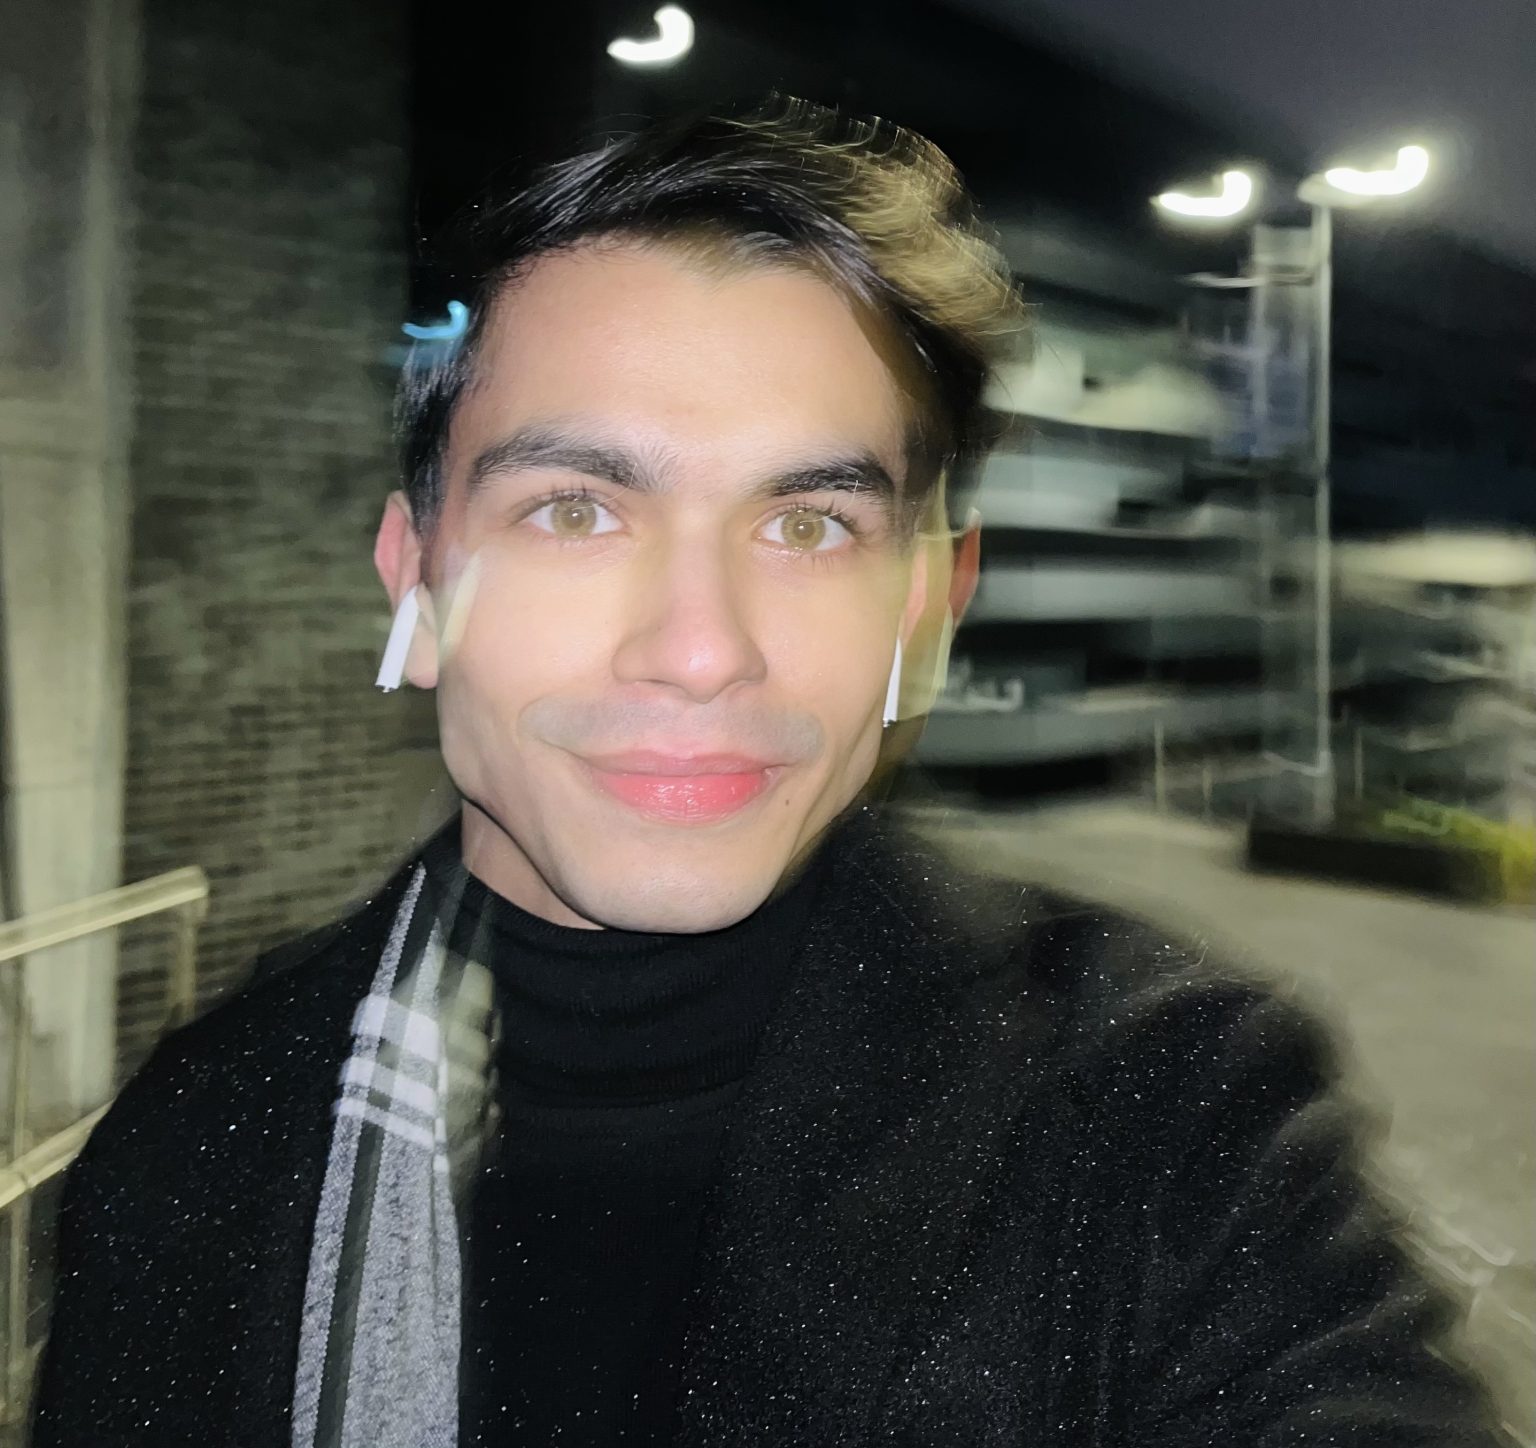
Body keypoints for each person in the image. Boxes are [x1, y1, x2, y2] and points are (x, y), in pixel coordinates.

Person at [33, 99, 1503, 1448]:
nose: (700, 650)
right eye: (574, 510)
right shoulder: (200, 1143)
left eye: (809, 526)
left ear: (926, 606)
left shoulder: (1170, 1112)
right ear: (415, 582)